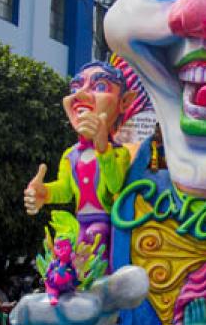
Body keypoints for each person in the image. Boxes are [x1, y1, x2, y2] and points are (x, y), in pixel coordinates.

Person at [23, 62, 136, 265]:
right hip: (79, 223)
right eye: (75, 88)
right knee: (62, 249)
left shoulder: (119, 153)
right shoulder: (70, 155)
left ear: (124, 102)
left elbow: (115, 184)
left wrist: (102, 146)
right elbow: (65, 190)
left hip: (104, 225)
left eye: (100, 86)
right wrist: (44, 192)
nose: (79, 95)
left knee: (93, 241)